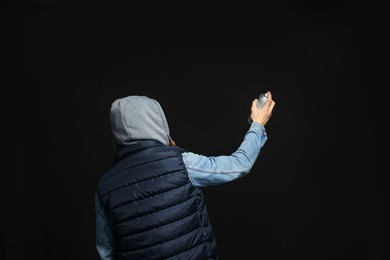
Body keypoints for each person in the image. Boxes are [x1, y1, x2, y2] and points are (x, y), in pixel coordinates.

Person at [95, 92, 276, 260]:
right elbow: (239, 164)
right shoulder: (180, 162)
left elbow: (106, 252)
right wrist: (257, 124)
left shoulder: (104, 186)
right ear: (156, 120)